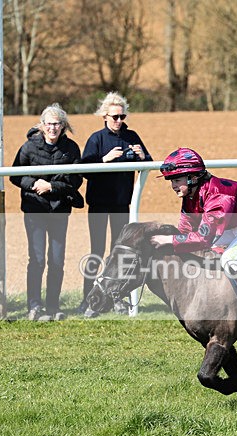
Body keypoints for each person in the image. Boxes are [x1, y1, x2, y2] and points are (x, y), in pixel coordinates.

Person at [150, 147, 237, 319]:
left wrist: (170, 240)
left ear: (194, 177)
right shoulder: (190, 196)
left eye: (177, 180)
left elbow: (203, 239)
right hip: (231, 227)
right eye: (171, 181)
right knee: (211, 249)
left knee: (229, 259)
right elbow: (186, 231)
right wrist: (171, 241)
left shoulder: (218, 197)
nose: (173, 185)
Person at [79, 91, 152, 317]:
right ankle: (87, 298)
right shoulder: (96, 139)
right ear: (104, 117)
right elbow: (84, 170)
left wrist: (142, 158)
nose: (119, 121)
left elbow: (149, 164)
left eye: (122, 117)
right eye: (114, 117)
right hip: (99, 204)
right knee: (97, 251)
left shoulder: (132, 136)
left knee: (119, 253)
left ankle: (117, 299)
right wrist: (104, 160)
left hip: (122, 204)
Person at [10, 103, 83, 322]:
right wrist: (34, 185)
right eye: (49, 124)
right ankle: (34, 306)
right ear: (42, 126)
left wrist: (52, 187)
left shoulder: (71, 149)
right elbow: (15, 175)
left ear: (63, 126)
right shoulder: (29, 147)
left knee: (57, 260)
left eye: (57, 124)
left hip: (60, 209)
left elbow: (76, 179)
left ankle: (53, 306)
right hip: (35, 209)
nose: (53, 128)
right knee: (38, 259)